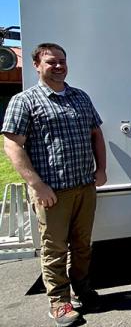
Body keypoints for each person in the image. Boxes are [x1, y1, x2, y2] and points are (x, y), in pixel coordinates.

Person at [2, 43, 106, 327]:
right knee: (54, 249)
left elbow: (96, 133)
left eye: (62, 61)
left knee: (83, 245)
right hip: (52, 193)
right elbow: (12, 145)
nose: (59, 66)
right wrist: (37, 186)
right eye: (51, 62)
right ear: (37, 64)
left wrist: (102, 170)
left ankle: (83, 289)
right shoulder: (25, 101)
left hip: (84, 186)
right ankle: (59, 302)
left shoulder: (80, 97)